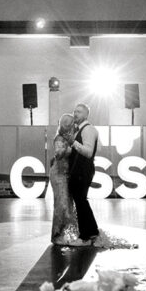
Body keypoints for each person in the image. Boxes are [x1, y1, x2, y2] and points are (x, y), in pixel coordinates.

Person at [67, 102, 100, 243]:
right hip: (78, 171)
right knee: (81, 202)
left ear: (86, 115)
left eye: (79, 112)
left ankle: (85, 236)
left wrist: (73, 142)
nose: (75, 114)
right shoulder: (79, 130)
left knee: (81, 202)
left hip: (83, 171)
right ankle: (91, 232)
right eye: (74, 111)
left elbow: (88, 152)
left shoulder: (88, 129)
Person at [49, 113, 80, 245]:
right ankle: (56, 235)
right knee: (61, 205)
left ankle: (69, 233)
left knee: (68, 205)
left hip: (66, 174)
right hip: (59, 174)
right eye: (70, 124)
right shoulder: (59, 138)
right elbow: (58, 155)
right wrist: (69, 146)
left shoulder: (71, 138)